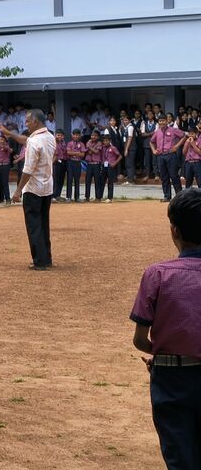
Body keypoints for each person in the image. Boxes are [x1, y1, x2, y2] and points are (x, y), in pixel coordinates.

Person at [130, 188, 201, 470]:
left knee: (180, 456)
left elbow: (140, 339)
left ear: (174, 230)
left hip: (172, 378)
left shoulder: (158, 274)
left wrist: (163, 355)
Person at [0, 109, 56, 270]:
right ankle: (46, 258)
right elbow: (26, 140)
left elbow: (28, 170)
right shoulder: (50, 137)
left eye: (28, 121)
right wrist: (9, 133)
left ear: (36, 121)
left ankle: (40, 261)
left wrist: (17, 191)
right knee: (43, 224)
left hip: (33, 189)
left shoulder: (34, 142)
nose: (26, 124)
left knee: (33, 225)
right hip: (47, 188)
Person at [151, 115, 186, 202]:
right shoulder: (157, 132)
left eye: (163, 121)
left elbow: (184, 136)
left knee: (174, 176)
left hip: (171, 155)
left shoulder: (173, 130)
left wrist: (177, 146)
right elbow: (151, 142)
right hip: (160, 156)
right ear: (158, 122)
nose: (161, 122)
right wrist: (153, 150)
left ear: (167, 121)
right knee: (164, 177)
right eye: (160, 121)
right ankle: (167, 196)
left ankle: (179, 196)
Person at [66, 129, 86, 203]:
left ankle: (77, 197)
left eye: (78, 135)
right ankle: (68, 197)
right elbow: (68, 153)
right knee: (69, 179)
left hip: (78, 163)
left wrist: (74, 153)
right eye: (75, 134)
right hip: (70, 162)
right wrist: (77, 153)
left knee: (77, 180)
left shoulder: (82, 144)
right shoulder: (69, 143)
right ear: (72, 135)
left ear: (80, 135)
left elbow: (83, 154)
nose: (76, 136)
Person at [101, 133, 122, 202]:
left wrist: (114, 163)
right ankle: (99, 197)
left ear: (110, 141)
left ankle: (110, 198)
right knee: (102, 182)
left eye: (107, 141)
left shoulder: (113, 148)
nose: (105, 142)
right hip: (104, 166)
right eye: (104, 141)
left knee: (110, 182)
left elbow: (120, 156)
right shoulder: (103, 147)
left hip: (110, 166)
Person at [85, 130, 104, 202]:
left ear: (98, 137)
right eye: (92, 135)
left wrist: (90, 148)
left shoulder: (99, 143)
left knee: (97, 181)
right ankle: (87, 197)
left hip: (96, 164)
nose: (93, 137)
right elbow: (88, 152)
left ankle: (98, 197)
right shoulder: (89, 142)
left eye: (95, 135)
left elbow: (96, 151)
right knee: (88, 181)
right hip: (89, 164)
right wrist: (91, 149)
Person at [0, 134, 12, 205]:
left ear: (5, 140)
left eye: (2, 139)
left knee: (5, 182)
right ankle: (1, 198)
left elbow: (10, 151)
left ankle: (7, 198)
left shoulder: (7, 146)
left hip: (5, 165)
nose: (0, 141)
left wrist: (4, 147)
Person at [121, 115, 138, 185]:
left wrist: (126, 149)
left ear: (130, 121)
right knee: (129, 163)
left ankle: (130, 180)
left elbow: (130, 138)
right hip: (129, 148)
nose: (125, 121)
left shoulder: (130, 127)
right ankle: (131, 178)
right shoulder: (126, 127)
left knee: (129, 164)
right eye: (124, 120)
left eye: (126, 120)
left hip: (131, 148)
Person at [52, 129, 68, 202]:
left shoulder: (64, 143)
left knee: (61, 179)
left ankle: (58, 195)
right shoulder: (53, 143)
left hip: (63, 162)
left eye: (61, 135)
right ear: (55, 135)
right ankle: (53, 196)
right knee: (55, 179)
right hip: (56, 162)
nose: (60, 137)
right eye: (58, 135)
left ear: (63, 136)